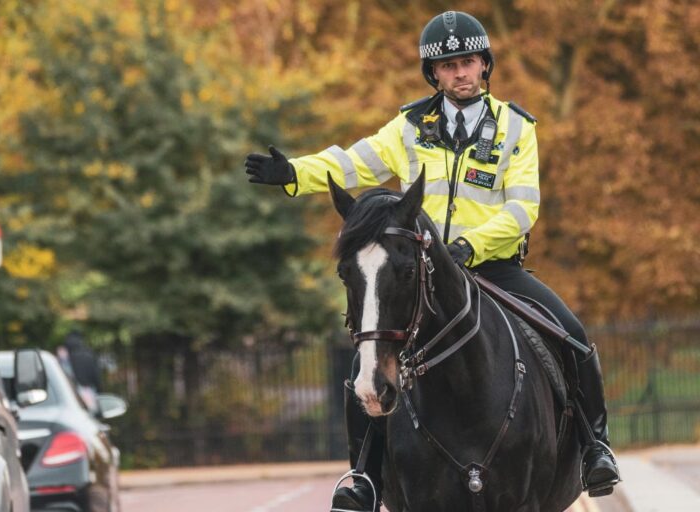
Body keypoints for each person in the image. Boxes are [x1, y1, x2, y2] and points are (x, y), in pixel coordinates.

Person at [244, 10, 620, 512]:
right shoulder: (409, 127)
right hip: (419, 271)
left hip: (493, 268)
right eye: (448, 66)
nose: (460, 73)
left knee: (571, 334)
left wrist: (472, 246)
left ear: (485, 65)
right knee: (366, 360)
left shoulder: (515, 127)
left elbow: (522, 207)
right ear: (434, 75)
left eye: (469, 62)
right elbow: (351, 163)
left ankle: (596, 448)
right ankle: (363, 474)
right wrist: (294, 172)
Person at [57, 331, 102, 413]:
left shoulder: (65, 358)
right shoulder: (89, 355)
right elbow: (96, 376)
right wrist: (100, 391)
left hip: (69, 395)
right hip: (89, 393)